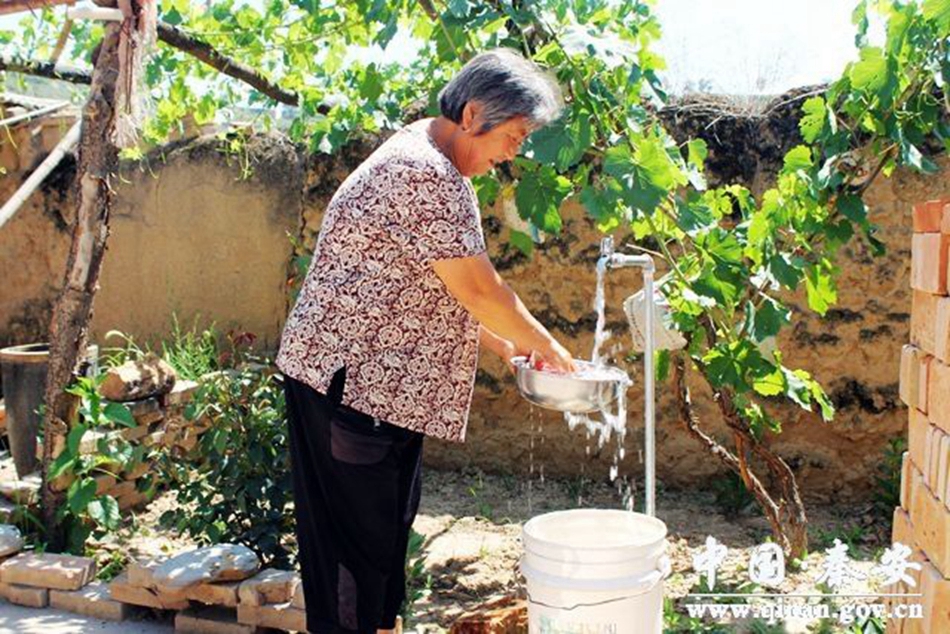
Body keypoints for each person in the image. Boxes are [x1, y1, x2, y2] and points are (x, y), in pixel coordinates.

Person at [275, 47, 576, 634]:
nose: (513, 153)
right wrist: (550, 348)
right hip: (354, 389)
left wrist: (501, 344)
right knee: (354, 563)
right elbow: (481, 290)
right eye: (513, 137)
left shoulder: (426, 155)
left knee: (381, 548)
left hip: (379, 392)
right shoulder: (424, 173)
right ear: (472, 114)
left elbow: (429, 283)